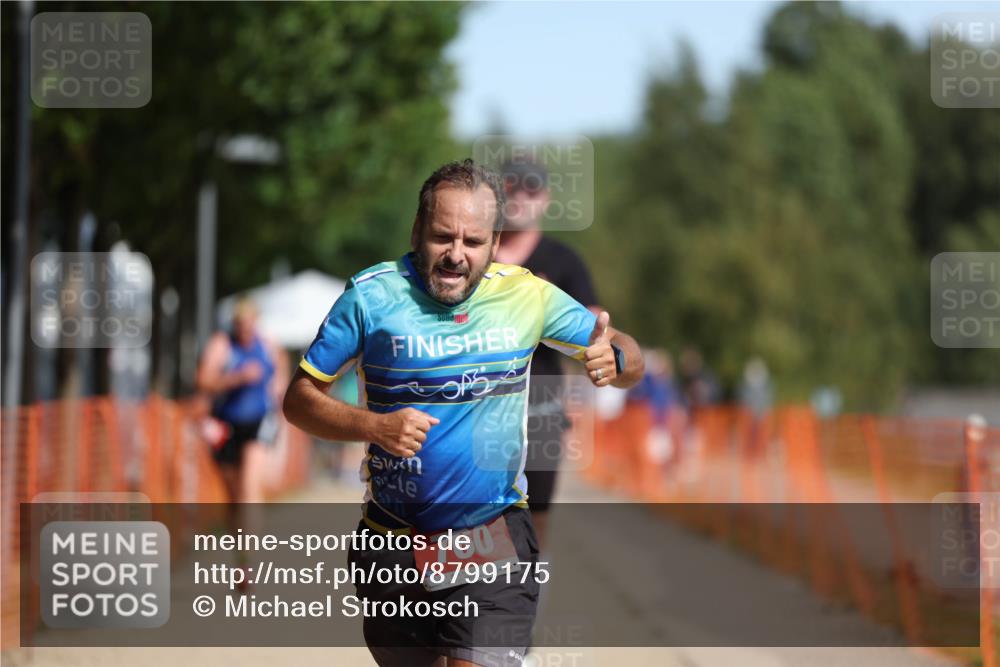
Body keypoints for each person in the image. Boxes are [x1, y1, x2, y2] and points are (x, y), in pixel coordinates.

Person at [283, 159, 643, 667]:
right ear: (417, 231)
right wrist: (375, 426)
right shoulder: (371, 296)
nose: (456, 255)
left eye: (473, 242)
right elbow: (298, 400)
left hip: (493, 534)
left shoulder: (526, 295)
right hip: (393, 540)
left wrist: (618, 358)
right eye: (442, 237)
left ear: (494, 243)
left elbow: (626, 350)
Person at [493, 159, 601, 549]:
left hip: (539, 413)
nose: (520, 196)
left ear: (546, 199)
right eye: (511, 187)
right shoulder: (472, 252)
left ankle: (530, 582)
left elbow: (595, 331)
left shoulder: (563, 262)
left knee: (534, 520)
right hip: (475, 407)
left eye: (531, 188)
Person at [196, 298, 287, 505]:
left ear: (256, 321)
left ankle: (250, 527)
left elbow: (281, 376)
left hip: (259, 421)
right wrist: (235, 379)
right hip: (225, 422)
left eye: (249, 323)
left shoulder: (268, 345)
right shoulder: (222, 345)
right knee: (232, 493)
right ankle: (237, 526)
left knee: (249, 487)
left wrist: (278, 392)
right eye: (240, 324)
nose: (245, 329)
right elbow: (203, 381)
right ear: (234, 323)